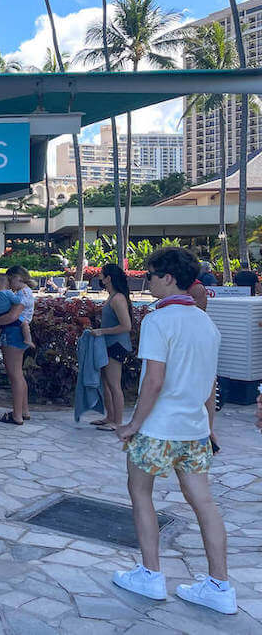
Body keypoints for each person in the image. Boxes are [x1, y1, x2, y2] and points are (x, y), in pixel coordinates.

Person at [113, 247, 235, 614]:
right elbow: (209, 384)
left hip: (158, 427)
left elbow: (153, 381)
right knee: (204, 503)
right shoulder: (205, 323)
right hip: (194, 429)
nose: (145, 281)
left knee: (140, 493)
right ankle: (220, 585)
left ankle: (151, 574)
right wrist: (209, 429)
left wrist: (133, 424)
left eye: (149, 275)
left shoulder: (158, 320)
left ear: (168, 278)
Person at [89, 264, 133, 432]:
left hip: (116, 345)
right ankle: (110, 416)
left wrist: (102, 331)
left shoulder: (118, 299)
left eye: (102, 275)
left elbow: (126, 326)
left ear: (109, 278)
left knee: (114, 384)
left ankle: (118, 421)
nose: (99, 277)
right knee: (106, 383)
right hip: (107, 344)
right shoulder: (112, 296)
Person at [0, 266, 34, 425]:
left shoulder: (22, 294)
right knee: (19, 375)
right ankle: (23, 410)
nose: (8, 284)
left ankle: (17, 414)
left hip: (13, 334)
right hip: (19, 334)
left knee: (14, 375)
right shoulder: (26, 292)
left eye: (10, 280)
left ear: (17, 277)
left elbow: (12, 316)